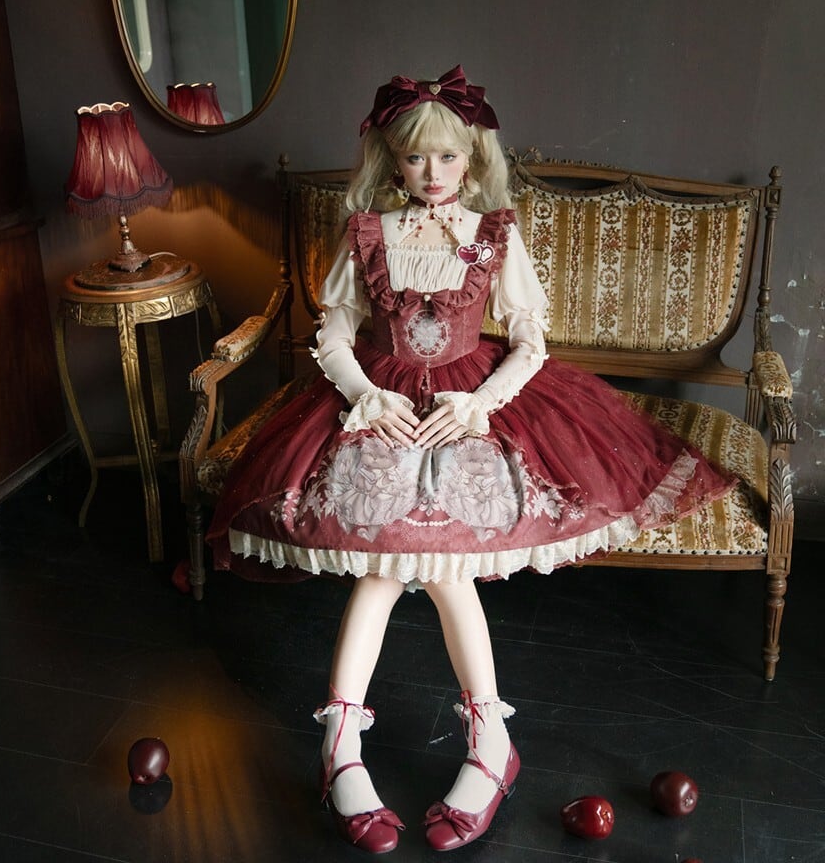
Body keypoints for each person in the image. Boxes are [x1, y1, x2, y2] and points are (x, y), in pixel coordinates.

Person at [207, 65, 735, 854]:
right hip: (384, 407)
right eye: (416, 157)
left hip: (469, 408)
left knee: (441, 572)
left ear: (472, 157)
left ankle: (433, 744)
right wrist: (365, 396)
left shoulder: (494, 233)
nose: (433, 172)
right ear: (392, 160)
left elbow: (528, 340)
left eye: (448, 157)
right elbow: (334, 331)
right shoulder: (367, 232)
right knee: (383, 569)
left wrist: (479, 404)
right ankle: (387, 743)